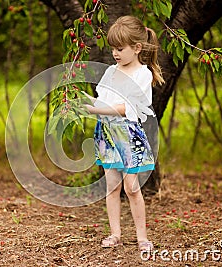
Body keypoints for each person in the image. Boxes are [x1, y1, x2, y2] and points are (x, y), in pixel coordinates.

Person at [83, 15, 164, 253]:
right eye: (113, 49)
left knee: (132, 187)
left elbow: (125, 108)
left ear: (137, 48)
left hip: (128, 134)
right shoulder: (110, 71)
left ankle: (142, 237)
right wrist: (84, 103)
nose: (115, 54)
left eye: (120, 49)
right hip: (107, 133)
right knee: (112, 186)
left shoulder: (143, 74)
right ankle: (115, 234)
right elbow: (103, 101)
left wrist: (95, 109)